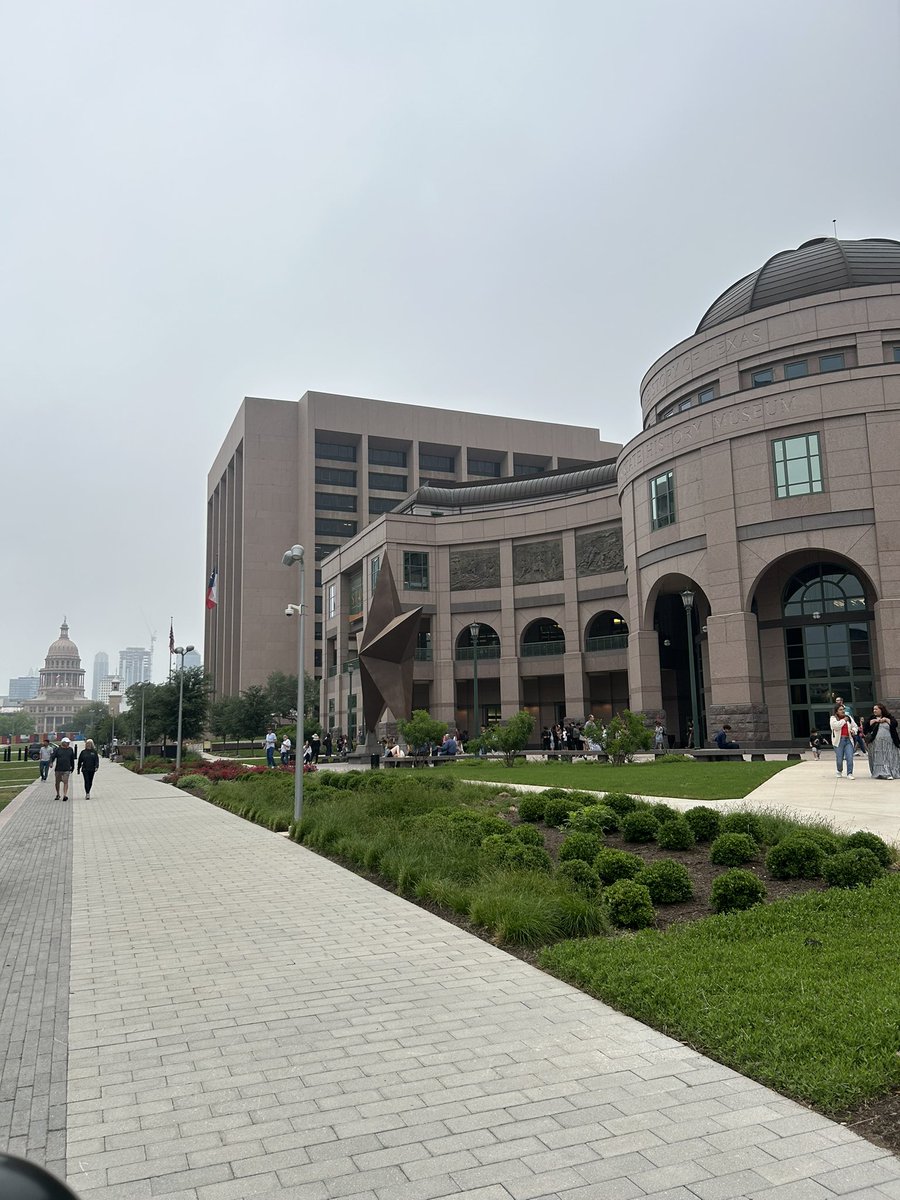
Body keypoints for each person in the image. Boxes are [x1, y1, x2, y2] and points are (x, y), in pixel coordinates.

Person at [863, 703, 900, 780]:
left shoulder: (889, 717)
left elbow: (895, 724)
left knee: (888, 757)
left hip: (889, 743)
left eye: (876, 709)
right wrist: (874, 721)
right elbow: (865, 728)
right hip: (876, 744)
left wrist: (886, 720)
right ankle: (882, 773)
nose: (874, 711)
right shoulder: (872, 717)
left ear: (881, 710)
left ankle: (889, 772)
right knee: (880, 758)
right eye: (874, 709)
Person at [830, 703, 858, 778]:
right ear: (836, 711)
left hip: (848, 740)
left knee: (850, 757)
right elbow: (836, 726)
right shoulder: (833, 718)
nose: (843, 711)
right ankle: (839, 770)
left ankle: (850, 773)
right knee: (839, 759)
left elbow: (855, 726)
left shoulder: (848, 717)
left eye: (843, 709)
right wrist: (844, 720)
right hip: (839, 741)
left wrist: (853, 730)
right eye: (840, 710)